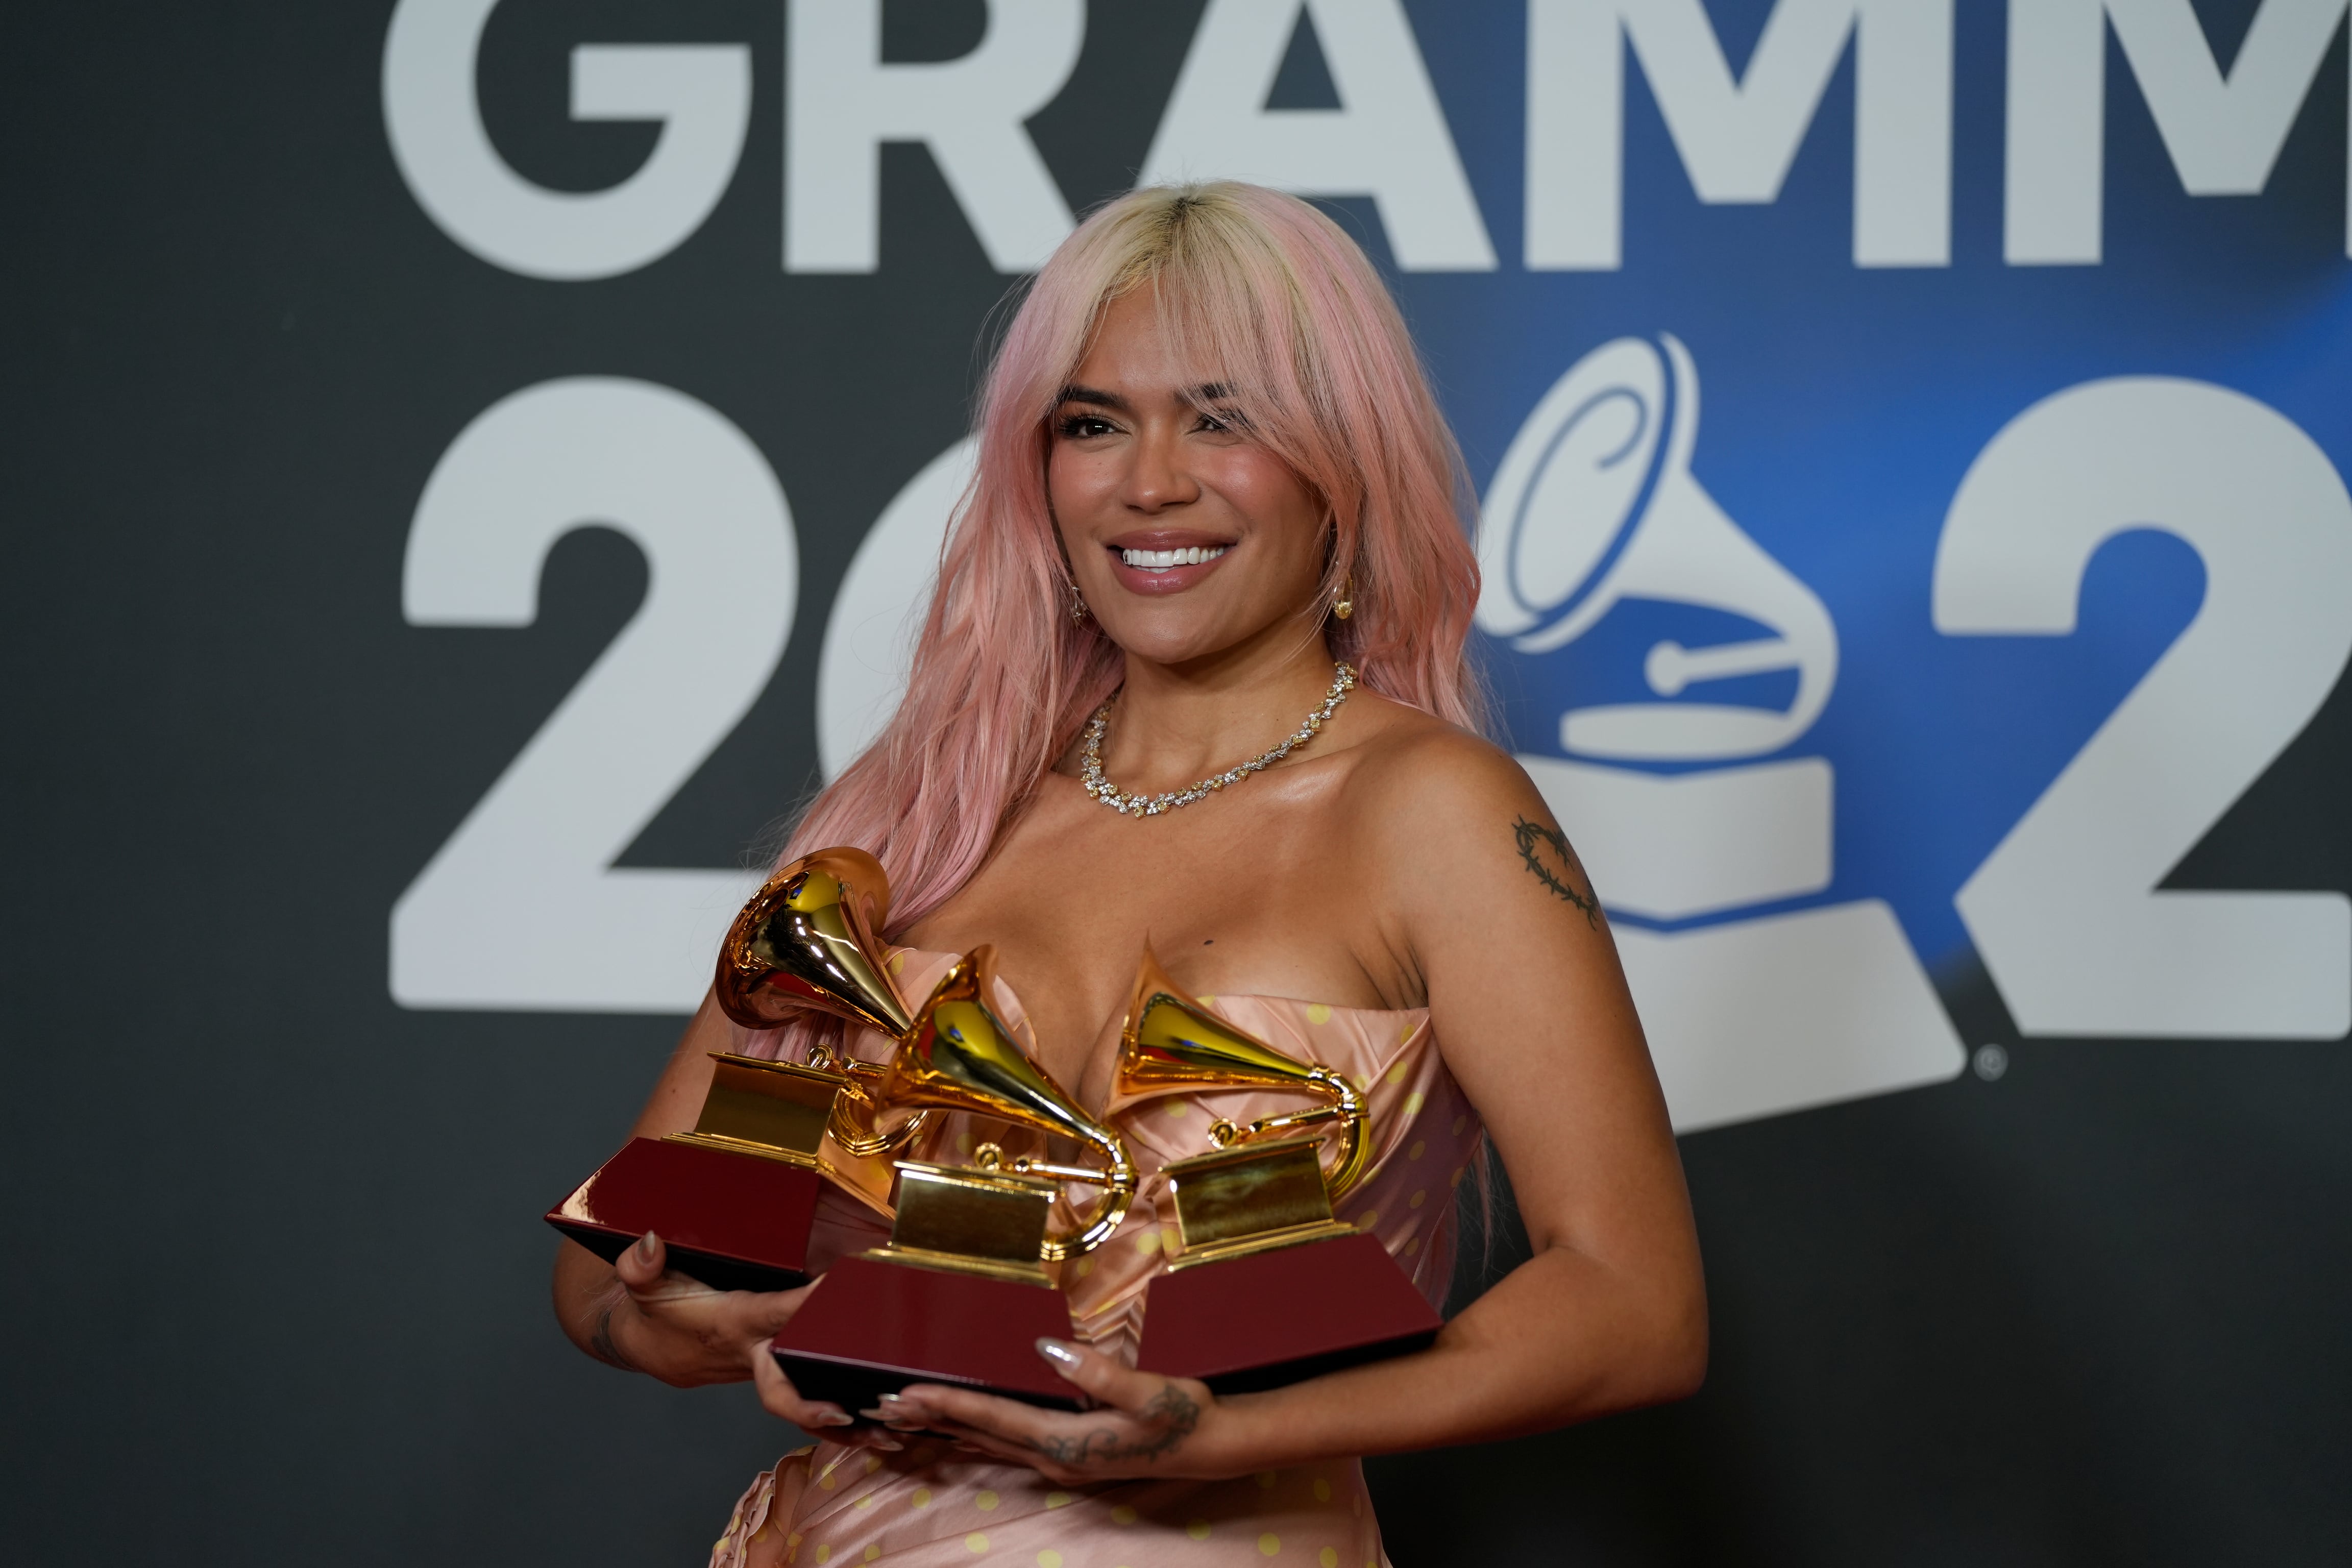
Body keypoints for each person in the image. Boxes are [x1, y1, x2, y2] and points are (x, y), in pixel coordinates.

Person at [551, 182, 1705, 1566]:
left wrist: (1219, 1434)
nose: (1151, 481)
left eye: (1225, 417)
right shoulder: (925, 808)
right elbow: (609, 1265)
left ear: (1347, 457)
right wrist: (689, 1330)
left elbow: (1634, 1305)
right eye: (1093, 422)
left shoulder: (1436, 814)